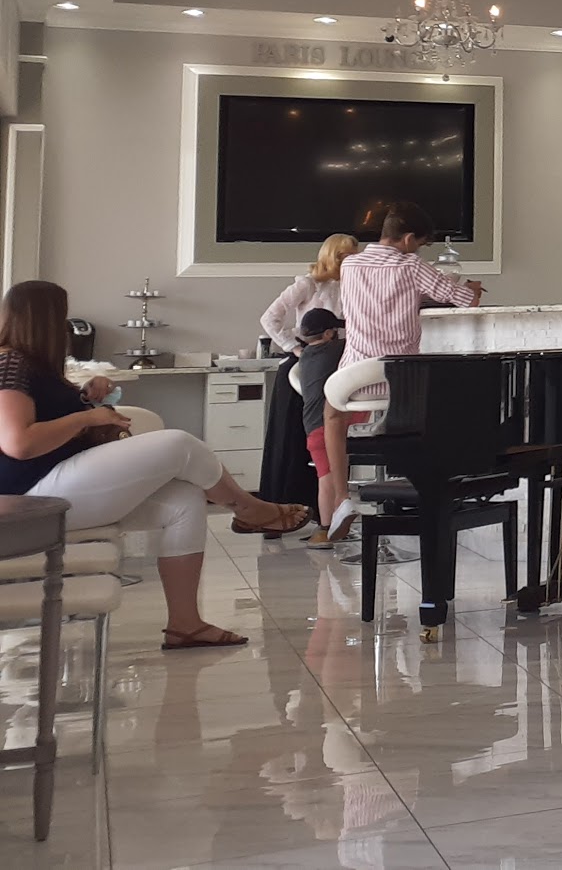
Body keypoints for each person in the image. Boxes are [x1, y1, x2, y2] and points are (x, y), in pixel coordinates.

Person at [0, 279, 310, 649]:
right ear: (46, 319)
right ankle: (249, 508)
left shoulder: (32, 365)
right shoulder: (10, 362)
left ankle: (186, 624)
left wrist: (84, 397)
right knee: (180, 444)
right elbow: (19, 443)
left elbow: (47, 418)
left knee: (184, 500)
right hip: (31, 497)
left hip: (50, 483)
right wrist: (87, 418)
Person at [315, 203, 483, 512]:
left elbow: (381, 295)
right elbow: (465, 300)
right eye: (420, 244)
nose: (418, 250)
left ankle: (341, 496)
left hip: (354, 378)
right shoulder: (411, 266)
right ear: (407, 239)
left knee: (333, 415)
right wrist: (472, 288)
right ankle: (430, 488)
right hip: (400, 380)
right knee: (444, 402)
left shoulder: (350, 264)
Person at [255, 233, 360, 519]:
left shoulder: (353, 286)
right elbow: (270, 318)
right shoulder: (307, 284)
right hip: (305, 366)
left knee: (333, 439)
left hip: (337, 365)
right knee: (295, 440)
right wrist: (294, 348)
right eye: (346, 256)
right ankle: (284, 510)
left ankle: (326, 512)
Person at [292, 307, 354, 546]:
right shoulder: (335, 350)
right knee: (327, 478)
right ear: (329, 334)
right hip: (326, 425)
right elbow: (360, 342)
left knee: (324, 475)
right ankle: (325, 529)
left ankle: (329, 526)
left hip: (311, 426)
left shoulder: (306, 354)